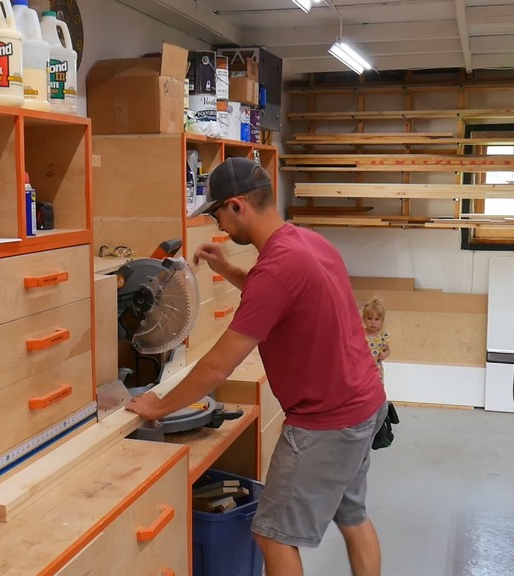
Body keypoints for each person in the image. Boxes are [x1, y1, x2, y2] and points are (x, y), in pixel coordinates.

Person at [126, 157, 388, 576]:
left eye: (217, 214)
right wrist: (228, 268)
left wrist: (157, 407)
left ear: (238, 205)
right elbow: (283, 297)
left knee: (272, 535)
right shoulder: (307, 242)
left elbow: (216, 367)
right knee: (352, 516)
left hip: (326, 423)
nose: (220, 227)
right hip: (365, 404)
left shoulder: (276, 269)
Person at [362, 298, 390, 383]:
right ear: (364, 319)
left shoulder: (382, 336)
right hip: (362, 370)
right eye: (369, 318)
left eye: (376, 319)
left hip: (376, 371)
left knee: (376, 389)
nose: (373, 322)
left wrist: (385, 354)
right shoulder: (361, 334)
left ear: (382, 320)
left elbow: (387, 349)